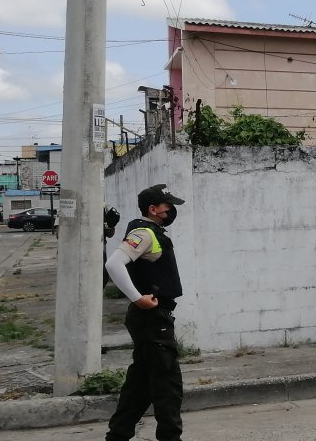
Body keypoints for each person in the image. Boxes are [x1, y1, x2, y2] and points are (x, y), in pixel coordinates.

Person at [104, 184, 187, 441]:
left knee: (140, 383)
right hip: (152, 318)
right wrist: (137, 298)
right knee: (167, 383)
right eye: (167, 206)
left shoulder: (152, 232)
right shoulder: (145, 233)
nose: (171, 210)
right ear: (152, 209)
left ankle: (117, 435)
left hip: (150, 318)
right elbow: (113, 264)